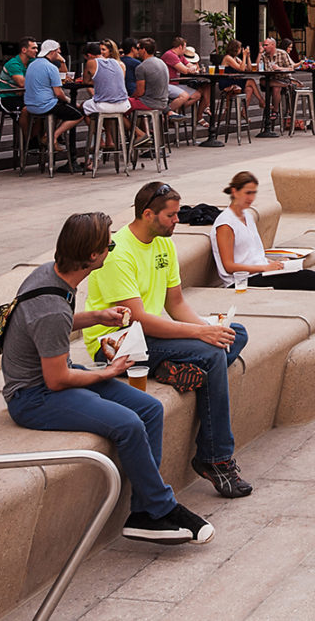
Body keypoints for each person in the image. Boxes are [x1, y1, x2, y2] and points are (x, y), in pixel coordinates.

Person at [0, 211, 213, 546]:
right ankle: (162, 507)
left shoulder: (52, 277)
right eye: (108, 244)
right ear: (92, 256)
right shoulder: (52, 307)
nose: (113, 246)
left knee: (150, 409)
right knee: (128, 424)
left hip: (54, 380)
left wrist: (97, 317)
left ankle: (144, 513)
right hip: (33, 397)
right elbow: (56, 379)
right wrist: (108, 372)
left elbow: (48, 328)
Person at [85, 182, 252, 499]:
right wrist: (201, 334)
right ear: (148, 214)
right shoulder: (118, 253)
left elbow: (175, 305)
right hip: (116, 343)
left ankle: (169, 367)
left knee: (235, 333)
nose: (178, 220)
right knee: (212, 354)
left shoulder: (164, 244)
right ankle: (214, 458)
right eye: (171, 215)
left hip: (151, 337)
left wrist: (208, 326)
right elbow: (138, 319)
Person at [24, 39, 86, 155]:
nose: (59, 54)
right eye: (58, 52)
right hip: (46, 105)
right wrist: (70, 102)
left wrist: (62, 61)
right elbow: (58, 93)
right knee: (78, 114)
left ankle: (49, 135)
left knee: (61, 110)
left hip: (30, 105)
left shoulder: (31, 65)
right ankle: (52, 137)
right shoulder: (51, 68)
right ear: (52, 52)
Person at [128, 38, 172, 145]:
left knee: (120, 107)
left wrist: (130, 97)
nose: (137, 51)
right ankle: (146, 134)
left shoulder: (141, 67)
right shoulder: (161, 62)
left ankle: (140, 134)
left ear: (143, 50)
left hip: (149, 102)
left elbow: (140, 92)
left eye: (138, 48)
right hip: (163, 102)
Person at [160, 37, 202, 119]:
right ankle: (165, 114)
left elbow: (190, 65)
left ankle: (176, 112)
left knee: (197, 95)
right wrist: (190, 69)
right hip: (166, 84)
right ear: (180, 47)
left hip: (175, 84)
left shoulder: (180, 56)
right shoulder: (170, 55)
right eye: (185, 47)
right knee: (184, 96)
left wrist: (192, 68)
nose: (185, 49)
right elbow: (185, 70)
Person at [0, 36, 37, 110]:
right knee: (27, 109)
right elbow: (22, 84)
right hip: (6, 98)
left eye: (36, 48)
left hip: (21, 96)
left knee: (43, 106)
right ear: (24, 50)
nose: (36, 50)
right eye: (33, 48)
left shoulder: (32, 62)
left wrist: (62, 62)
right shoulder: (13, 64)